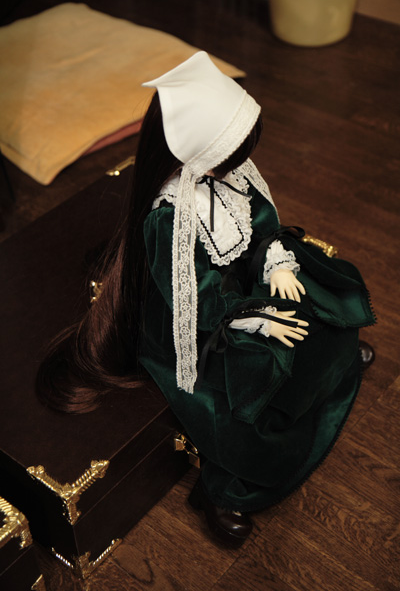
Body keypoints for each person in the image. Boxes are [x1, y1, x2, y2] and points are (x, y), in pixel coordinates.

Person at [36, 52, 375, 548]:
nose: (237, 165)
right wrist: (252, 317)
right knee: (248, 378)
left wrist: (275, 259)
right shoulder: (169, 216)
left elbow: (261, 222)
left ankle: (335, 362)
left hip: (243, 279)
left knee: (317, 298)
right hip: (198, 315)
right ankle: (225, 490)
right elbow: (191, 295)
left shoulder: (229, 172)